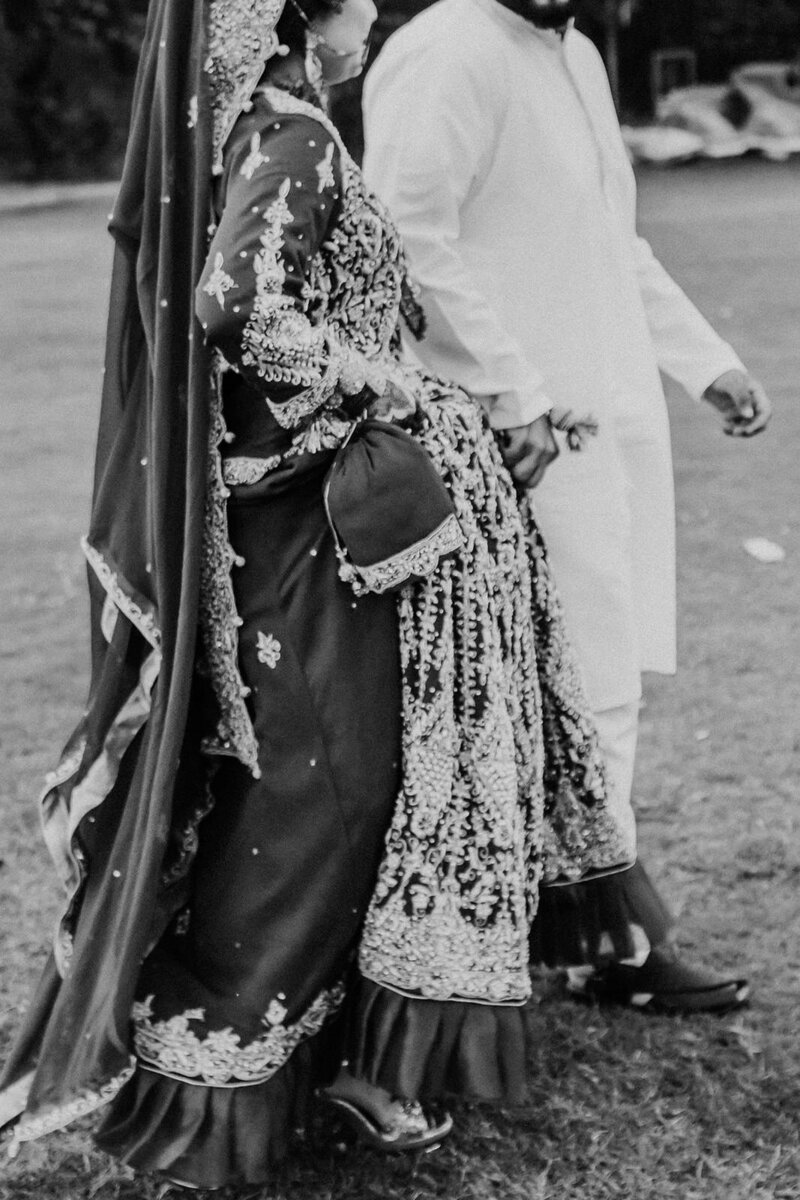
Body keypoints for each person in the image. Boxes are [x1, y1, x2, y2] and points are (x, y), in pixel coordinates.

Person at [0, 0, 634, 1189]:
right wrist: (390, 389)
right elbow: (236, 307)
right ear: (304, 22)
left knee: (315, 790)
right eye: (356, 10)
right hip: (309, 541)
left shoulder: (242, 131)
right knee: (328, 797)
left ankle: (325, 1062)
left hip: (286, 528)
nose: (368, 29)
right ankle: (223, 1082)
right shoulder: (289, 133)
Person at [363, 0, 772, 1014]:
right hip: (515, 436)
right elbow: (406, 237)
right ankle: (567, 941)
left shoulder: (574, 52)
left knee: (605, 674)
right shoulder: (448, 50)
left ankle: (596, 931)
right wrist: (513, 390)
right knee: (553, 688)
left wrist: (702, 364)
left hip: (604, 409)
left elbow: (611, 244)